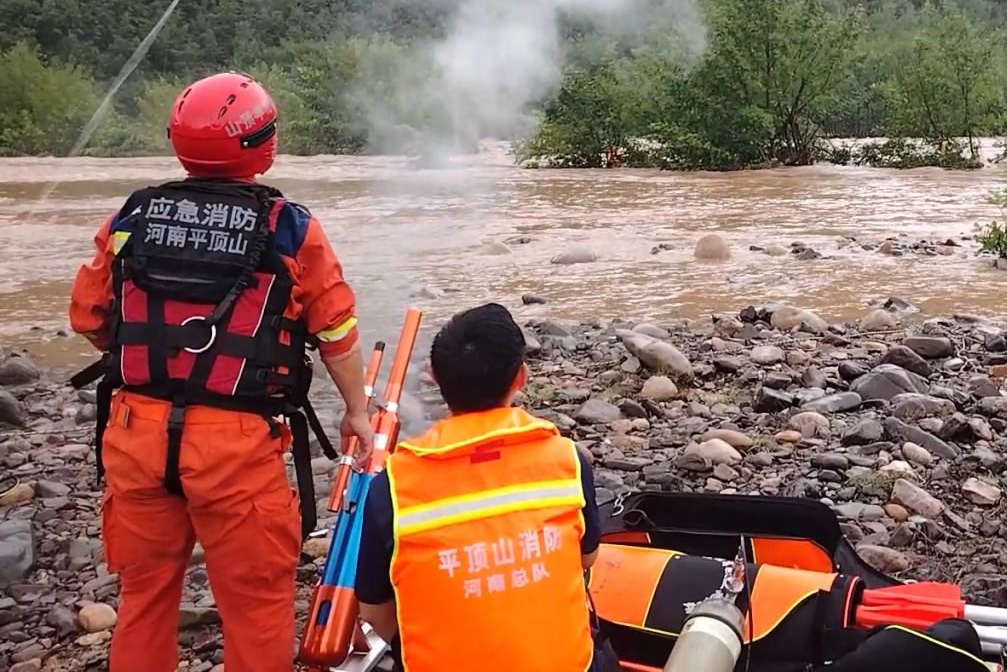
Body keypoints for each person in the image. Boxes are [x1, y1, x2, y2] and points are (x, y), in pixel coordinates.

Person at [68, 71, 375, 672]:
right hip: (235, 446)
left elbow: (89, 316)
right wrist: (357, 412)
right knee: (256, 605)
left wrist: (137, 352)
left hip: (135, 434)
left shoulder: (133, 214)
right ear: (262, 143)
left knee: (144, 598)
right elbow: (335, 331)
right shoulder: (289, 227)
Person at [355, 302, 615, 672]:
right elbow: (586, 558)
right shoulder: (566, 459)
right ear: (520, 376)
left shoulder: (393, 486)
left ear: (434, 376)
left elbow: (374, 612)